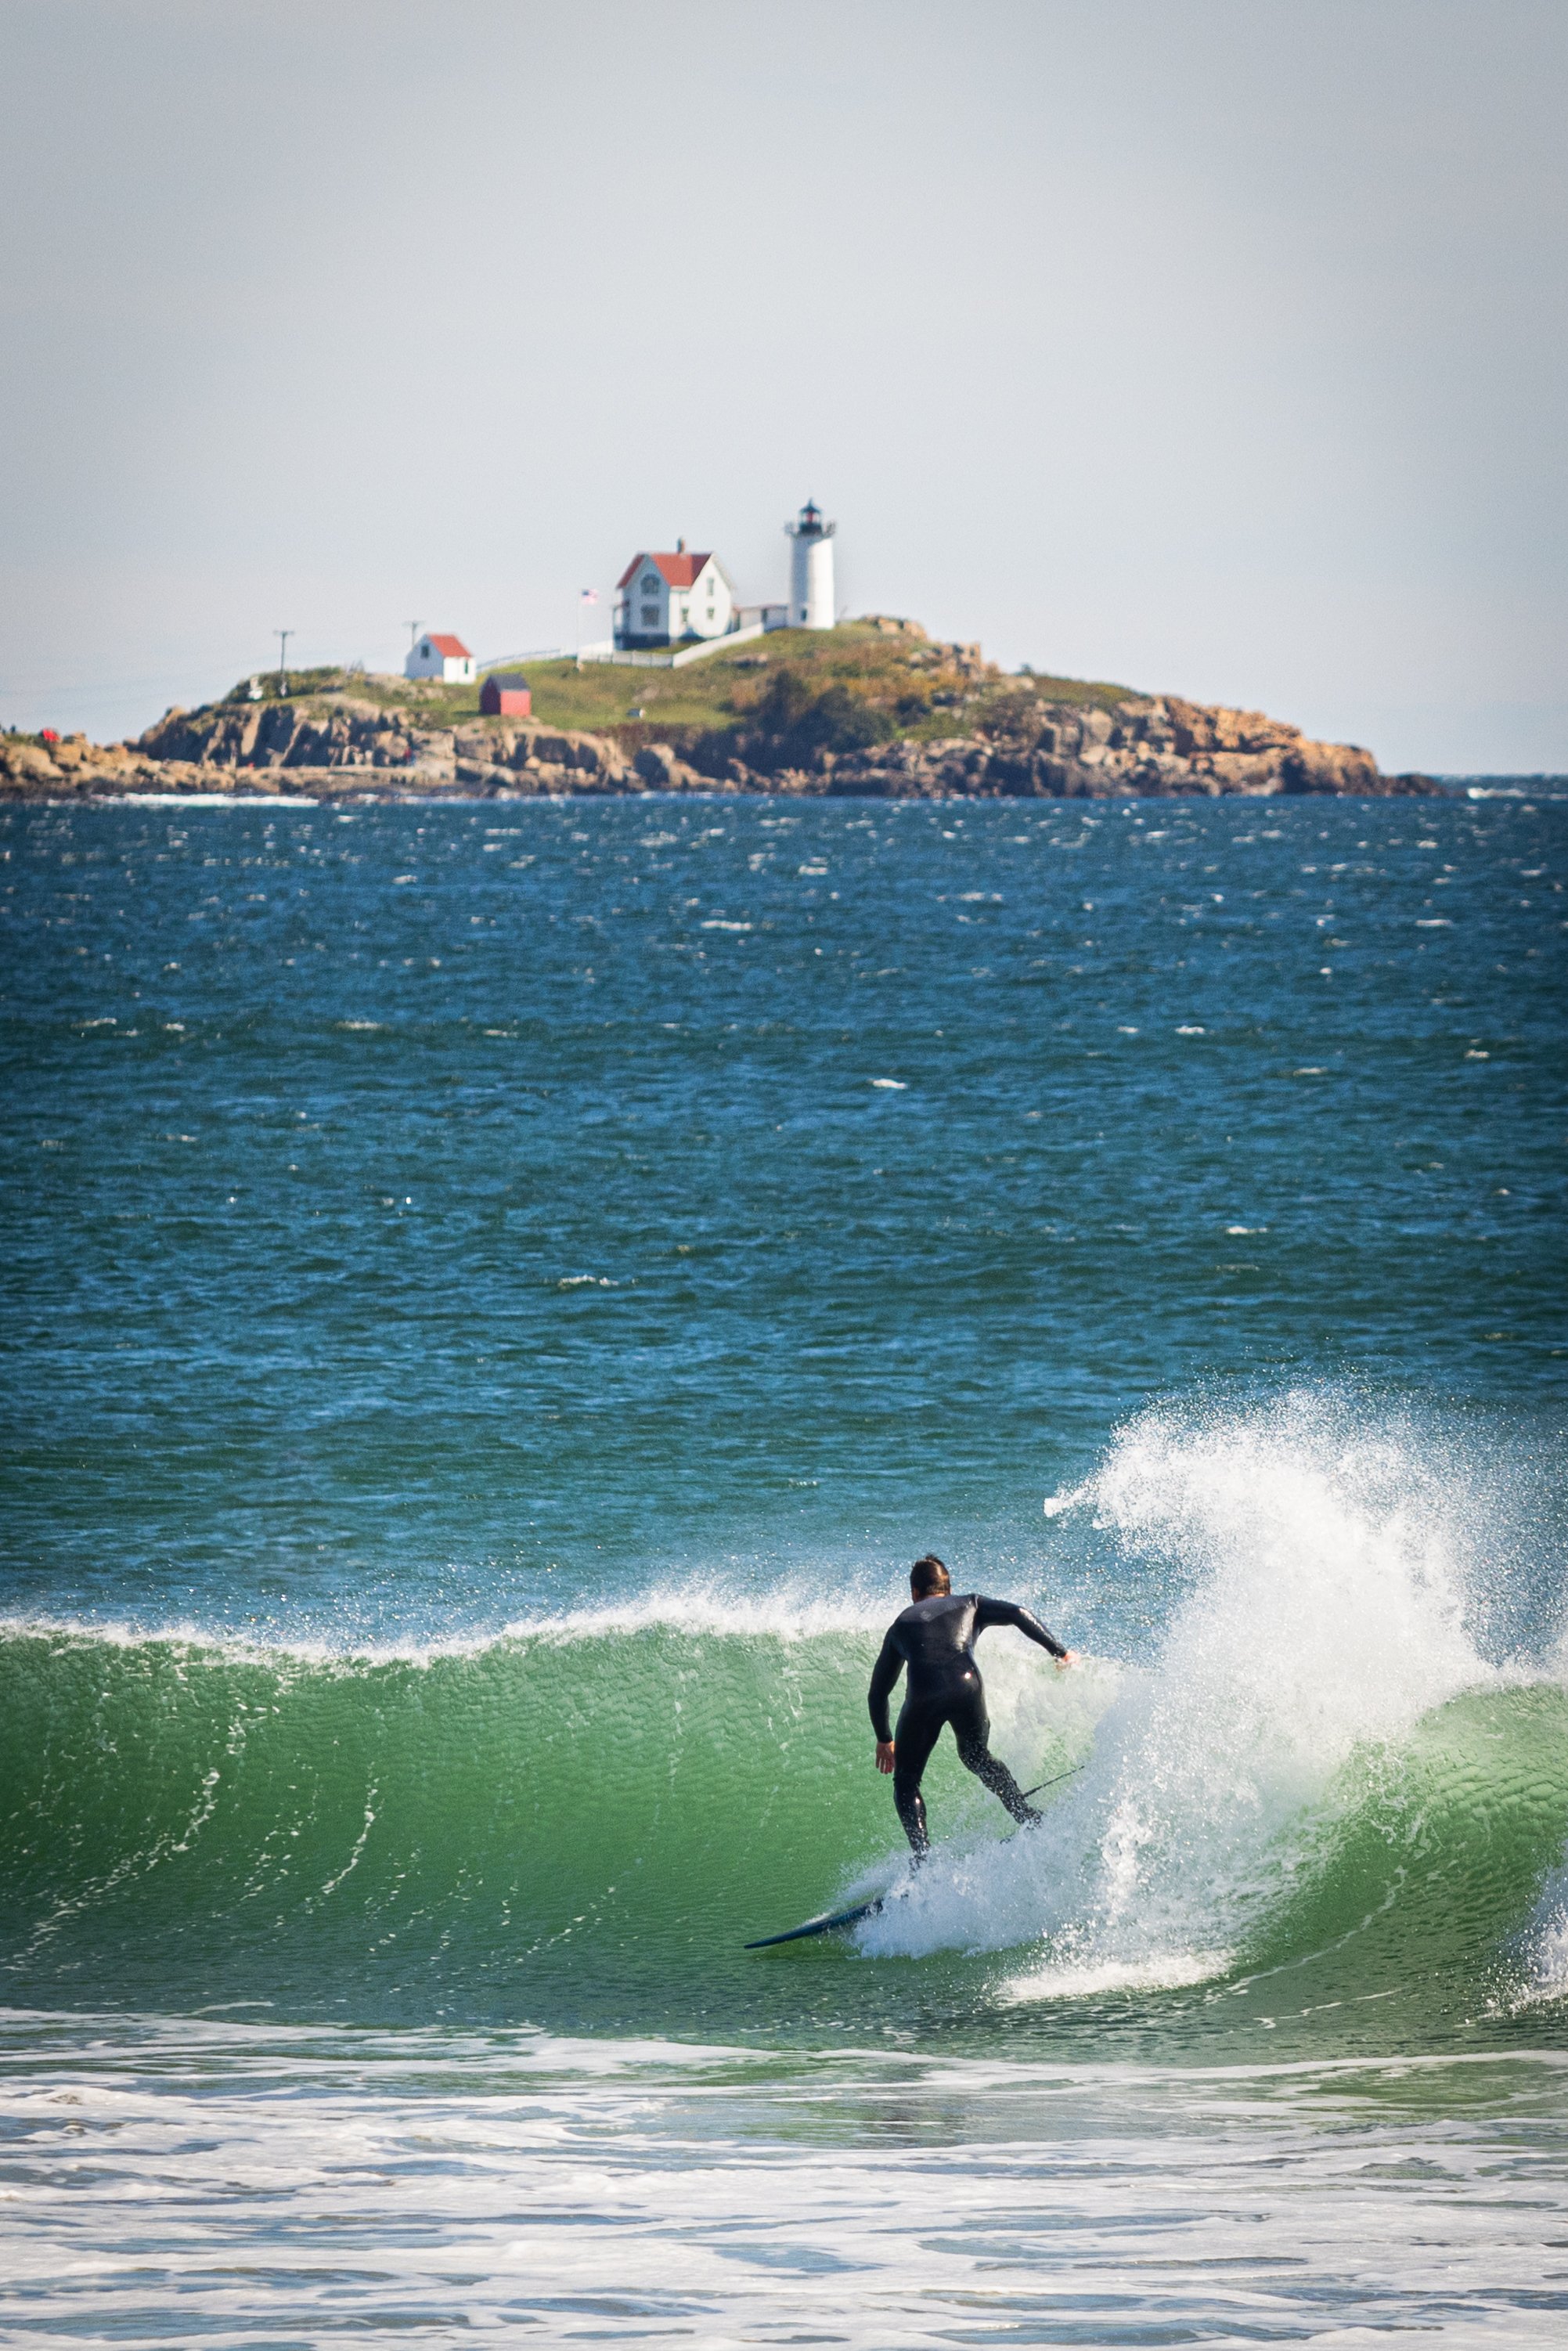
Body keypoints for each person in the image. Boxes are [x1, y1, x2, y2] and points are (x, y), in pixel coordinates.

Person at [868, 1554, 1076, 1860]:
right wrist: (1060, 1652)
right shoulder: (971, 1604)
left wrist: (885, 1739)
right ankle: (1025, 1815)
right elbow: (1019, 1613)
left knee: (906, 1782)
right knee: (976, 1757)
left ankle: (924, 1862)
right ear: (948, 1588)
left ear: (915, 1593)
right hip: (967, 1685)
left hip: (924, 1693)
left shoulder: (902, 1624)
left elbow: (878, 1693)